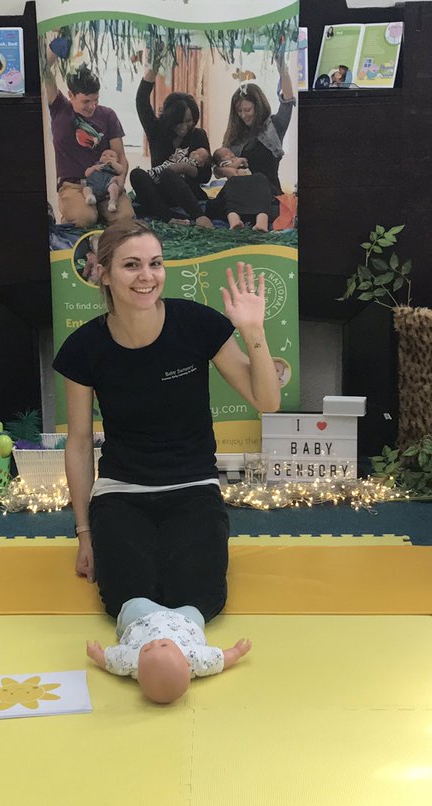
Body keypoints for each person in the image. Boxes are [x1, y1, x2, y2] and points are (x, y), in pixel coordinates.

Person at [53, 220, 280, 640]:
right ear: (103, 272)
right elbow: (80, 443)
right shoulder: (83, 348)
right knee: (125, 597)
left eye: (155, 263)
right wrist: (84, 534)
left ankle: (182, 649)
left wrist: (253, 332)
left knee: (198, 596)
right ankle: (147, 649)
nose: (147, 276)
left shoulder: (196, 324)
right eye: (131, 265)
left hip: (193, 487)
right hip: (121, 493)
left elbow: (267, 401)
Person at [86, 599, 252, 704]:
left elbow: (110, 661)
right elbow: (220, 660)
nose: (155, 642)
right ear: (187, 663)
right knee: (196, 612)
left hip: (144, 618)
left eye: (148, 649)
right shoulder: (195, 658)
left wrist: (96, 654)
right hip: (185, 620)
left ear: (138, 671)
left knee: (133, 605)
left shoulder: (131, 660)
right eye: (163, 645)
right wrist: (237, 652)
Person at [42, 52, 135, 228]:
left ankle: (101, 212)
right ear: (70, 95)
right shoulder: (59, 108)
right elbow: (44, 68)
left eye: (96, 100)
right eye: (86, 101)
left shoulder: (108, 115)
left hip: (107, 183)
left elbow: (121, 155)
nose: (92, 106)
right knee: (85, 218)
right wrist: (55, 51)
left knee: (126, 218)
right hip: (74, 186)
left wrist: (120, 182)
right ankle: (81, 214)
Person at [131, 57, 214, 227]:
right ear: (169, 119)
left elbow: (206, 176)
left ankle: (199, 217)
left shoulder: (198, 135)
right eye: (179, 122)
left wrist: (185, 168)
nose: (185, 127)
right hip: (160, 193)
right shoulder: (157, 130)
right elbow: (141, 101)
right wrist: (153, 68)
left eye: (189, 121)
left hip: (186, 192)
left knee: (169, 174)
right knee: (137, 174)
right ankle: (168, 217)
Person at [221, 54, 296, 198]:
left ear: (258, 107)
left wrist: (281, 64)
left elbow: (287, 99)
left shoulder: (274, 126)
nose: (243, 115)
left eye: (248, 110)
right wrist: (228, 171)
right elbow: (218, 166)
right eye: (239, 111)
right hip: (241, 191)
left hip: (268, 192)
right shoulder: (235, 133)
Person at [209, 147, 276, 232]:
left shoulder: (259, 176)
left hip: (251, 185)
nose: (229, 154)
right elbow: (231, 171)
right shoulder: (227, 164)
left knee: (260, 177)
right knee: (233, 180)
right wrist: (240, 161)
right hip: (236, 188)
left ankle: (261, 222)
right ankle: (235, 221)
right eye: (225, 154)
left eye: (229, 152)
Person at [82, 148, 123, 213]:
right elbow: (86, 173)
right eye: (104, 155)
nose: (107, 157)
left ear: (117, 160)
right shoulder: (96, 165)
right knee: (86, 189)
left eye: (111, 156)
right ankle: (90, 197)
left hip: (108, 186)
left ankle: (112, 202)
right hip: (93, 186)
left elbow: (121, 170)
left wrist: (113, 163)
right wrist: (93, 168)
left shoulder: (114, 168)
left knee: (114, 187)